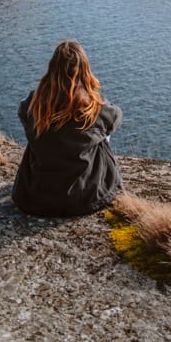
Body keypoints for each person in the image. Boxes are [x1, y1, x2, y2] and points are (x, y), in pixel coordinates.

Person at [12, 40, 123, 216]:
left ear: (52, 69)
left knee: (39, 132)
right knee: (102, 135)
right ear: (85, 70)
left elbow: (23, 115)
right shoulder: (93, 107)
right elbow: (116, 117)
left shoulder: (35, 103)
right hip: (85, 197)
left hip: (36, 198)